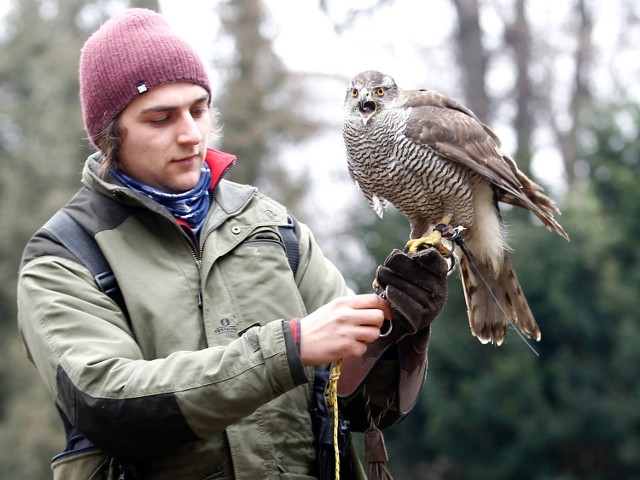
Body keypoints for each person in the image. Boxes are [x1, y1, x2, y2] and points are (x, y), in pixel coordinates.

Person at [16, 8, 448, 480]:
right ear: (108, 135)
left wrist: (398, 332)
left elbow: (361, 404)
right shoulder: (64, 255)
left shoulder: (272, 226)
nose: (190, 134)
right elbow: (108, 403)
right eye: (160, 118)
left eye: (198, 110)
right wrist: (288, 349)